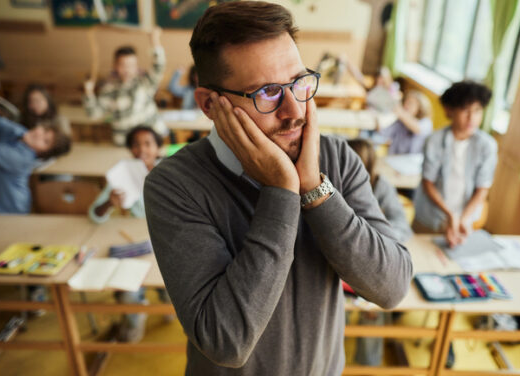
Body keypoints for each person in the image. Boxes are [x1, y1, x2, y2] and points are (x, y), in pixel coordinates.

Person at [143, 2, 413, 375]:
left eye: (299, 82)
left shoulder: (334, 156)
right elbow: (226, 341)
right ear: (209, 104)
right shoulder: (175, 185)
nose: (295, 110)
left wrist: (314, 189)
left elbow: (392, 286)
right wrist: (283, 191)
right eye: (267, 93)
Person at [88, 125, 171, 342]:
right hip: (138, 241)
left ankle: (169, 307)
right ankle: (134, 324)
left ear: (158, 147)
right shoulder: (123, 174)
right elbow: (95, 214)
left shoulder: (173, 170)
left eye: (147, 143)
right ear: (130, 149)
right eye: (135, 145)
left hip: (170, 242)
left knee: (173, 288)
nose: (142, 149)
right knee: (128, 291)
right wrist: (109, 202)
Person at [347, 138, 412, 366]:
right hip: (342, 264)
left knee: (372, 312)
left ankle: (368, 364)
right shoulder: (334, 182)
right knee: (336, 311)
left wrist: (381, 240)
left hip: (371, 260)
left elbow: (402, 224)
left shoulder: (380, 186)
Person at [413, 81, 497, 247]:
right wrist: (451, 216)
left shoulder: (487, 145)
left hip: (466, 219)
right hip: (431, 217)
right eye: (465, 110)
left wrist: (462, 219)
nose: (471, 118)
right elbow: (428, 183)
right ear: (449, 110)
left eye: (477, 111)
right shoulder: (434, 141)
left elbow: (482, 188)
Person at [0, 91, 71, 213]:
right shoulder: (21, 132)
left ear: (43, 153)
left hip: (7, 213)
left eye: (45, 141)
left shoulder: (22, 158)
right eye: (44, 130)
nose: (38, 135)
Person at [83, 27, 168, 146]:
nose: (127, 69)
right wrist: (88, 93)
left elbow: (159, 66)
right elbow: (93, 114)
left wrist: (154, 41)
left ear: (136, 66)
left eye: (131, 65)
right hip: (125, 144)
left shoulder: (145, 82)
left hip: (151, 142)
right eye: (123, 65)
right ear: (115, 66)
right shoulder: (109, 89)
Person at [379, 89, 433, 154]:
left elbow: (417, 129)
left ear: (420, 108)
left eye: (410, 103)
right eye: (405, 102)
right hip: (394, 157)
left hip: (412, 161)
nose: (406, 105)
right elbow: (383, 132)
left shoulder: (426, 122)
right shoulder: (400, 120)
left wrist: (399, 110)